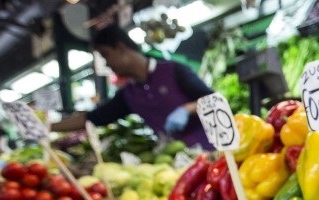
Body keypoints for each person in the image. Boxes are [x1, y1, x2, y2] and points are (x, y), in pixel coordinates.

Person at [54, 25, 213, 147]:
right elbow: (94, 118)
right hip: (180, 161)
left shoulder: (173, 70)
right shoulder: (129, 94)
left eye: (105, 55)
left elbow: (213, 100)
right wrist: (48, 127)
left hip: (213, 151)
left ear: (121, 49)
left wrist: (186, 110)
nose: (107, 63)